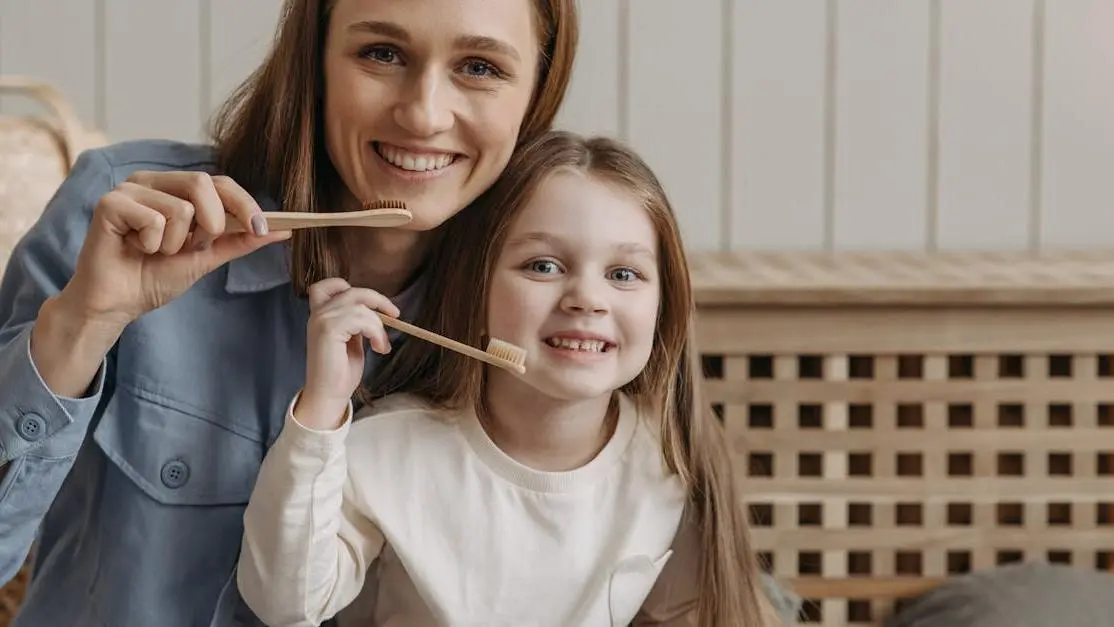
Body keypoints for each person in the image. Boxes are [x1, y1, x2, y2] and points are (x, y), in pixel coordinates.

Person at [0, 1, 577, 626]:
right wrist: (85, 322)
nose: (423, 114)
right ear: (314, 61)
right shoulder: (118, 215)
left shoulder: (558, 321)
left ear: (536, 94)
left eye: (480, 66)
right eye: (381, 54)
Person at [235, 130, 777, 627]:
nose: (587, 299)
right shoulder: (388, 448)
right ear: (477, 286)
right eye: (543, 266)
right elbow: (285, 602)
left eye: (623, 275)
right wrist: (324, 406)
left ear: (665, 307)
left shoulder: (672, 460)